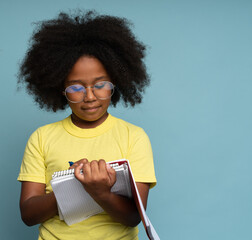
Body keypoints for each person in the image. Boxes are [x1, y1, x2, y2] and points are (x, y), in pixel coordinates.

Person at [17, 10, 157, 240]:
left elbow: (134, 216)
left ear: (116, 82)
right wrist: (72, 187)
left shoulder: (134, 137)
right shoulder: (41, 138)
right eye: (76, 87)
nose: (90, 96)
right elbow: (28, 215)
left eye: (100, 84)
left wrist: (100, 192)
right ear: (59, 89)